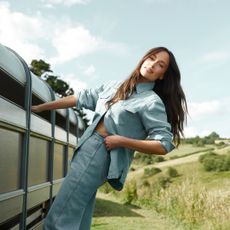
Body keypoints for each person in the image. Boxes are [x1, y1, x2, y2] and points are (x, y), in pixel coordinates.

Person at [32, 47, 187, 230]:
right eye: (151, 58)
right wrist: (40, 108)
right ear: (143, 59)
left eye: (160, 64)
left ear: (162, 75)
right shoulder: (114, 86)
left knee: (60, 217)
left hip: (101, 153)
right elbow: (79, 98)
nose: (152, 64)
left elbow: (163, 144)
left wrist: (122, 141)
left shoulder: (151, 102)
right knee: (78, 216)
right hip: (86, 147)